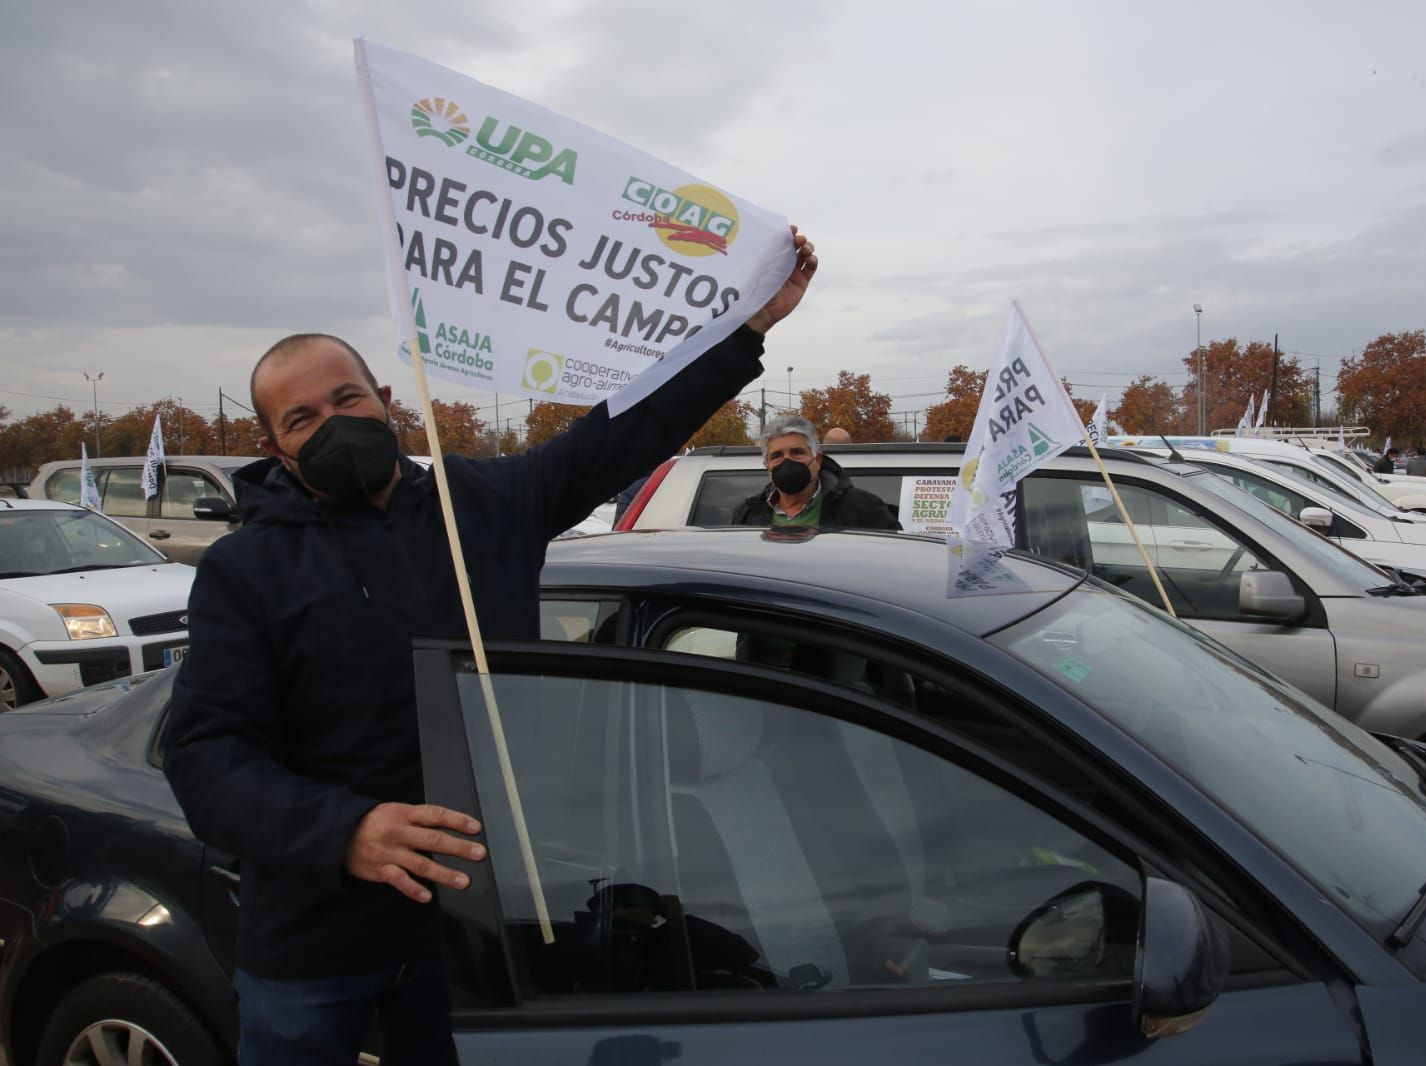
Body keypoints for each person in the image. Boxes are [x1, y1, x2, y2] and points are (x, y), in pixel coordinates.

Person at [162, 230, 819, 1065]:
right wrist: (343, 832)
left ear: (387, 398)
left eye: (346, 399)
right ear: (274, 446)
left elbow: (621, 431)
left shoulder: (485, 503)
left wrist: (747, 326)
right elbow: (206, 754)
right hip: (314, 940)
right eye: (303, 418)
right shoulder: (242, 570)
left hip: (482, 925)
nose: (333, 423)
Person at [731, 414, 899, 530]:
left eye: (797, 452)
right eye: (777, 456)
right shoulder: (748, 514)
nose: (787, 461)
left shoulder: (861, 507)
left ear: (817, 460)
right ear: (766, 464)